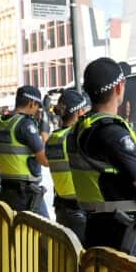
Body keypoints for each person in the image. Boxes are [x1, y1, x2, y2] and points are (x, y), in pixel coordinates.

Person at [68, 57, 136, 256]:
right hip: (119, 231)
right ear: (118, 88)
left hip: (94, 225)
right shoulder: (111, 133)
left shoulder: (80, 128)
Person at [0, 85, 50, 216]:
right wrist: (45, 135)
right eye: (37, 106)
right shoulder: (25, 124)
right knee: (45, 233)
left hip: (6, 190)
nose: (37, 110)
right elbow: (45, 160)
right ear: (31, 103)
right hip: (26, 194)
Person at [47, 89, 91, 241]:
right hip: (80, 211)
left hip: (62, 209)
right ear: (79, 113)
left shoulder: (53, 139)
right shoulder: (77, 137)